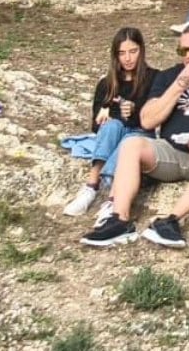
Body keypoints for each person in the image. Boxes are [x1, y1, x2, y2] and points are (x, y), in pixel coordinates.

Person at [82, 22, 189, 251]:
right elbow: (147, 120)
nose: (188, 56)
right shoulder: (169, 76)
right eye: (183, 51)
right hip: (170, 152)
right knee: (131, 144)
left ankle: (170, 220)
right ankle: (119, 220)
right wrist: (179, 86)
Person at [62, 27, 155, 218]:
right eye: (122, 53)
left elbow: (150, 119)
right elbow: (96, 126)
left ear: (141, 50)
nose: (128, 58)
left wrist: (133, 111)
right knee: (112, 126)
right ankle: (91, 185)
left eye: (133, 51)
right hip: (116, 132)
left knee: (129, 139)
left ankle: (114, 198)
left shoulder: (154, 78)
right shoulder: (107, 84)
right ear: (115, 55)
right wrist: (109, 115)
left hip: (142, 134)